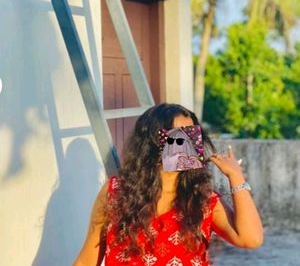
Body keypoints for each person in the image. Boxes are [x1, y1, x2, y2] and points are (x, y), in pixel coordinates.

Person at [73, 103, 263, 266]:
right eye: (181, 136)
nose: (191, 145)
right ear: (154, 142)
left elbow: (251, 239)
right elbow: (87, 260)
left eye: (193, 135)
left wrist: (236, 177)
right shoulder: (115, 192)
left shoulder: (203, 200)